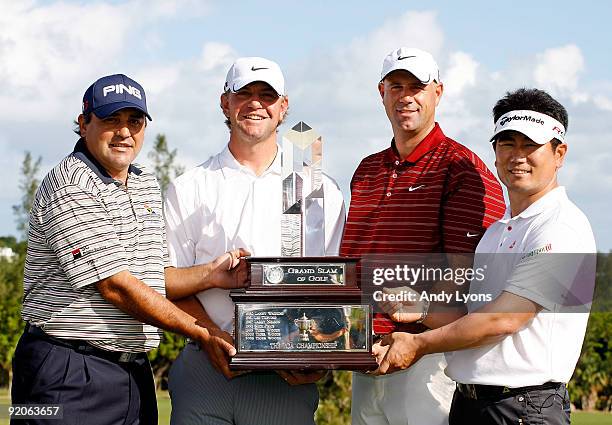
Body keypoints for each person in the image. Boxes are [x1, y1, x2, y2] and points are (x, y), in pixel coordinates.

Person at [11, 74, 248, 425]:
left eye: (134, 121)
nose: (124, 132)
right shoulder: (69, 182)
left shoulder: (144, 182)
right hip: (64, 370)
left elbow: (152, 281)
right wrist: (202, 332)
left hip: (133, 372)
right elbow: (116, 285)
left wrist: (209, 275)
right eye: (111, 120)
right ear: (83, 123)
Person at [373, 88, 596, 425]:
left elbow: (503, 319)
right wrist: (421, 309)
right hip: (470, 403)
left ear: (559, 153)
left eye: (530, 145)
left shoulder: (560, 227)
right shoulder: (496, 231)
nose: (517, 156)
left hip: (524, 408)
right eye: (507, 143)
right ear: (494, 152)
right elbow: (475, 315)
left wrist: (418, 344)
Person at [163, 57, 346, 425]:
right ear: (224, 103)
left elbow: (335, 285)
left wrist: (322, 354)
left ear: (284, 107)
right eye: (243, 93)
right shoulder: (189, 186)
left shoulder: (319, 189)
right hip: (205, 366)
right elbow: (166, 280)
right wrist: (212, 336)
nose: (255, 103)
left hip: (285, 377)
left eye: (267, 95)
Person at [340, 47, 505, 425]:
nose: (406, 96)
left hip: (426, 362)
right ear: (381, 92)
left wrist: (409, 336)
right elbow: (354, 263)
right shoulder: (366, 170)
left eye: (417, 86)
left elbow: (465, 274)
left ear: (438, 92)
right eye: (396, 86)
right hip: (365, 356)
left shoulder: (462, 167)